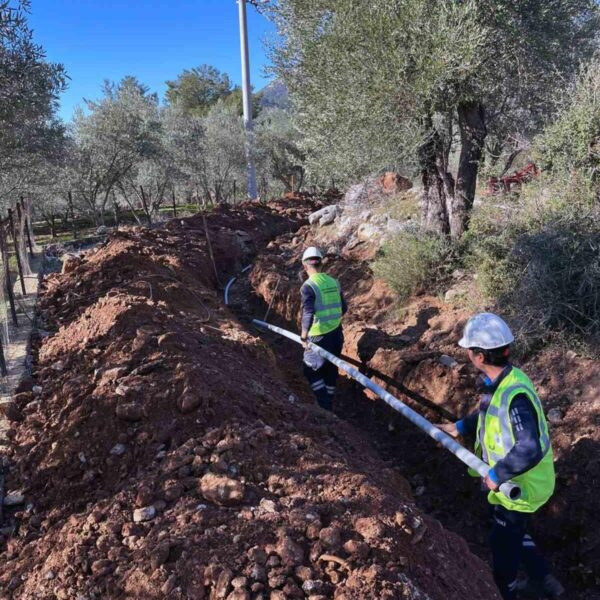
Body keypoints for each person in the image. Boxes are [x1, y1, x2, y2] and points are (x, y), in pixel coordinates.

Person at [438, 313, 563, 599]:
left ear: (479, 356)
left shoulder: (514, 394)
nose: (467, 353)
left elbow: (529, 447)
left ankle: (506, 591)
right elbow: (488, 414)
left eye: (469, 349)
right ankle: (544, 580)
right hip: (519, 480)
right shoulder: (504, 380)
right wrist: (459, 427)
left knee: (501, 543)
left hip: (523, 486)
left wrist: (495, 475)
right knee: (514, 531)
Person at [299, 246, 347, 410]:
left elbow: (308, 313)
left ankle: (324, 405)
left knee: (310, 370)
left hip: (318, 337)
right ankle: (329, 399)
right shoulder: (334, 282)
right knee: (331, 368)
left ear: (305, 266)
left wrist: (304, 336)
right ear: (321, 264)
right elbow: (344, 308)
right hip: (336, 335)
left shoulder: (308, 286)